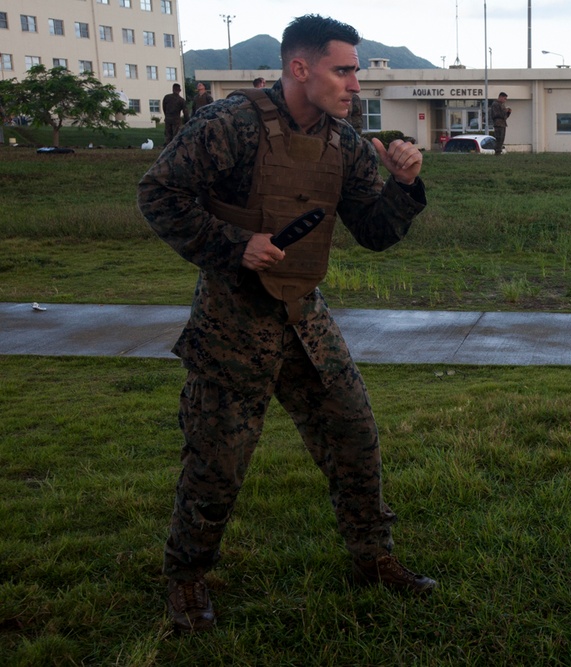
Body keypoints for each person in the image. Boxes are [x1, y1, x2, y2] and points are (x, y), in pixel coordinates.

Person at [137, 14, 436, 634]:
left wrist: (405, 187)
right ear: (301, 68)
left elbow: (375, 232)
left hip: (306, 319)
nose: (356, 84)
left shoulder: (345, 144)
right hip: (232, 320)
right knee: (217, 460)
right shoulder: (229, 125)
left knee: (354, 435)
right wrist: (233, 245)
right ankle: (187, 581)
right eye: (344, 69)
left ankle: (372, 557)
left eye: (356, 70)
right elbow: (159, 194)